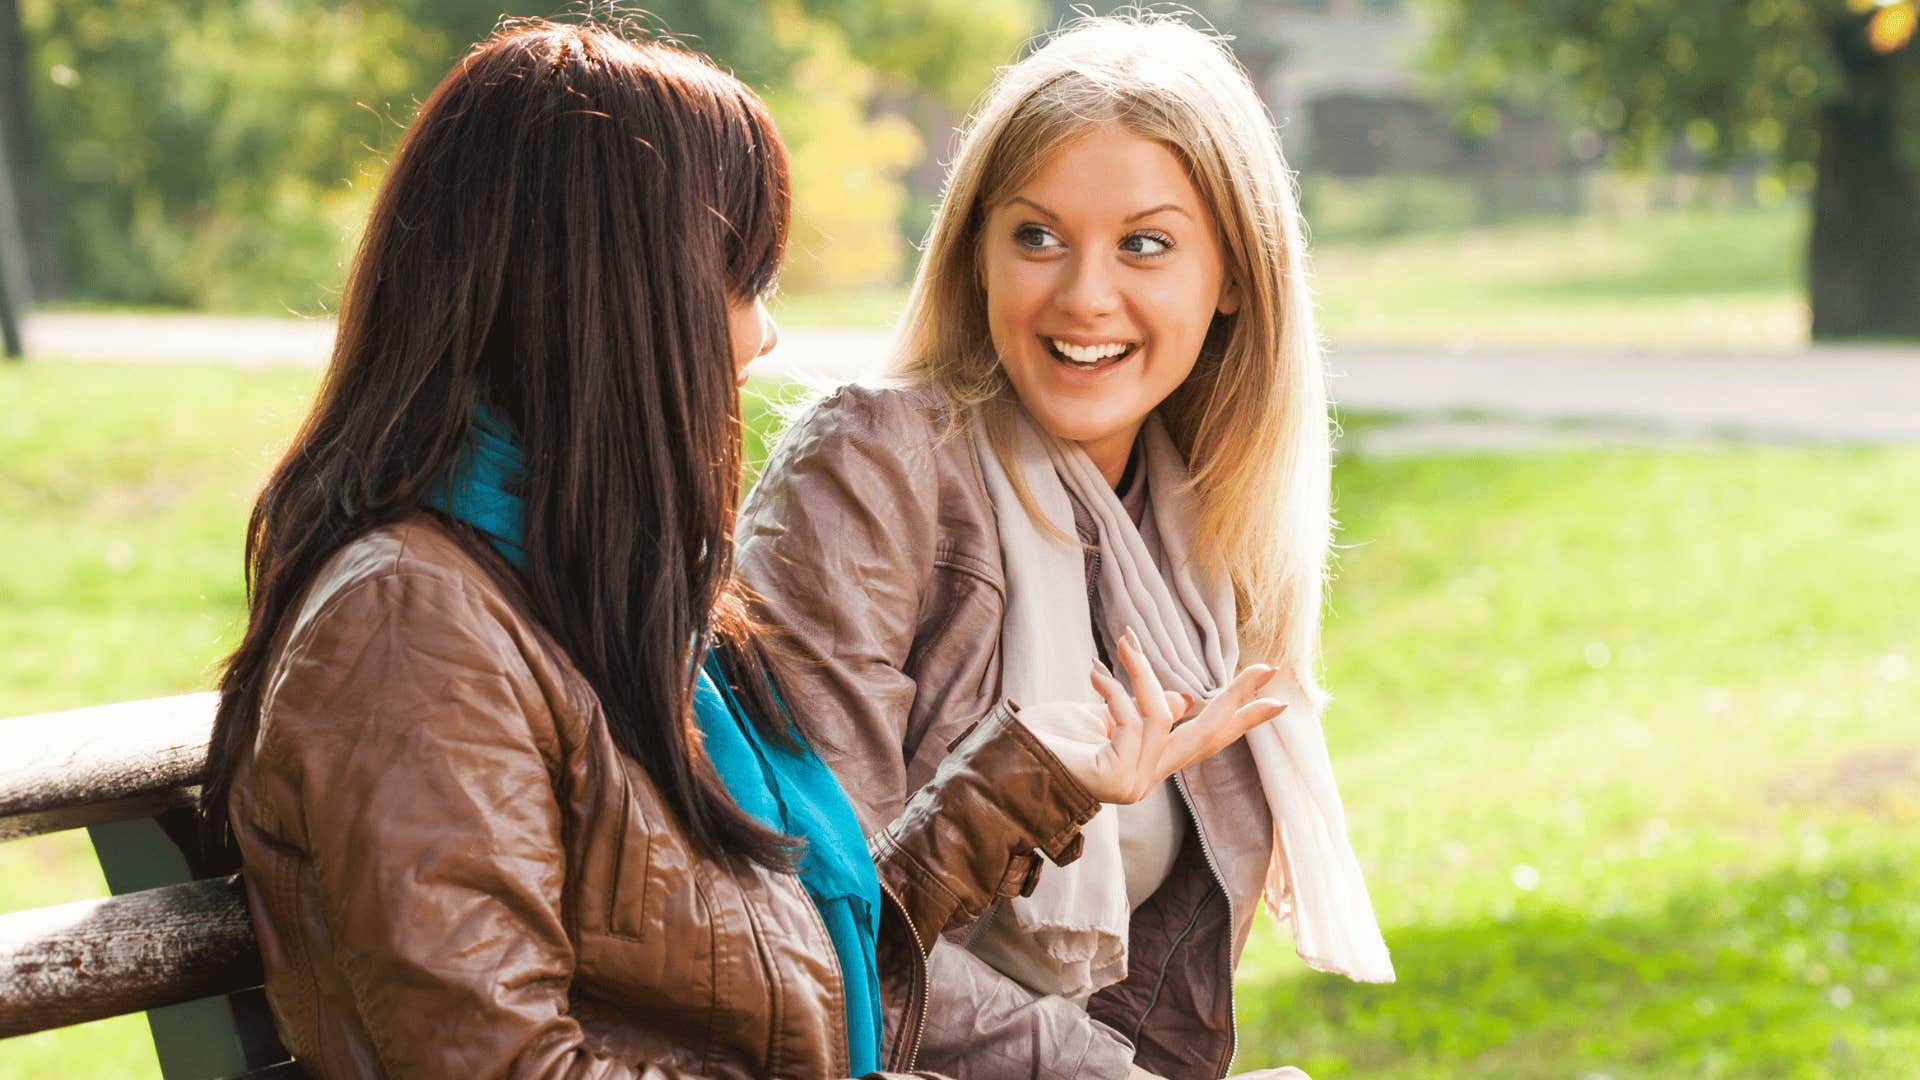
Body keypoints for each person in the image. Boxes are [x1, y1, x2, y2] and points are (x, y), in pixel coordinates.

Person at [195, 20, 1290, 1080]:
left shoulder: (571, 594)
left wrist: (1022, 784)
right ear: (618, 299)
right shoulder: (413, 632)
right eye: (744, 280)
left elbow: (796, 976)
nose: (764, 336)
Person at [736, 14, 1394, 1079]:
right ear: (977, 255)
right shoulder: (877, 467)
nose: (1085, 295)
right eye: (1038, 236)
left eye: (1145, 243)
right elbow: (809, 932)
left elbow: (1158, 987)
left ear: (1232, 275)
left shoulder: (1194, 536)